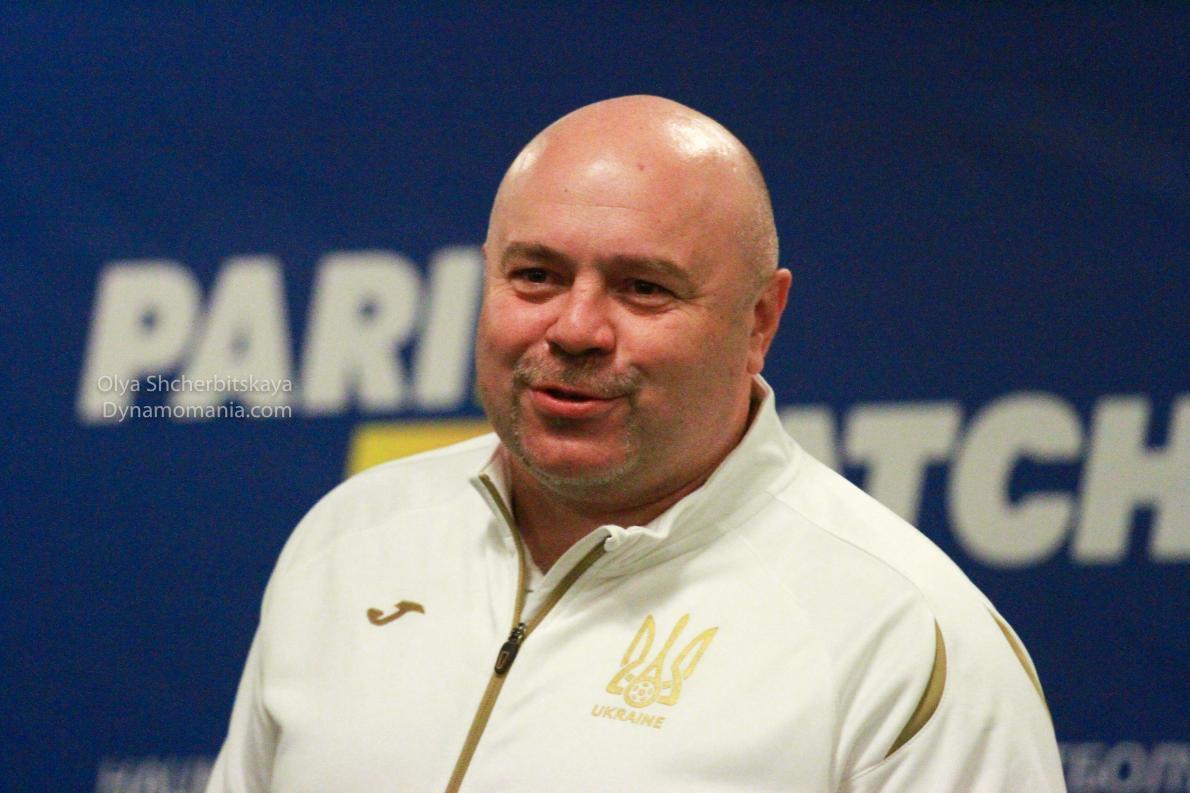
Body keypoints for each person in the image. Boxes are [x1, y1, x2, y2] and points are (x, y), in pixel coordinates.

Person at [206, 95, 1065, 792]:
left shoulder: (905, 636)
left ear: (759, 321)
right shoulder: (348, 539)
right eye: (535, 275)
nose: (575, 328)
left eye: (644, 288)